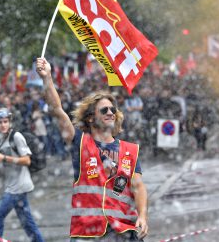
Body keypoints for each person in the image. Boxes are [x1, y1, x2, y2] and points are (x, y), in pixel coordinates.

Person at [36, 57, 148, 241]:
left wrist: (142, 216)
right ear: (90, 118)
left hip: (123, 233)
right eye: (103, 110)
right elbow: (57, 109)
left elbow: (138, 187)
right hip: (87, 233)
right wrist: (47, 77)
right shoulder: (80, 142)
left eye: (112, 109)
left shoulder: (130, 150)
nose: (110, 113)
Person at [0, 108, 44, 242]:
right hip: (12, 185)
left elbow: (27, 160)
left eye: (5, 122)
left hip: (18, 187)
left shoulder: (16, 137)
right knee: (27, 223)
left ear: (10, 122)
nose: (3, 125)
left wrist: (4, 158)